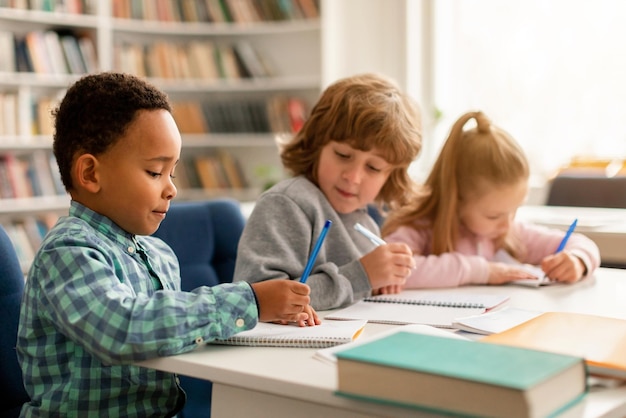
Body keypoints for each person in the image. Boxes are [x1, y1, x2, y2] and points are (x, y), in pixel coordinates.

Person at [16, 72, 319, 418]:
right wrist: (248, 302)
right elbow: (124, 329)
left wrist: (261, 317)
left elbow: (172, 333)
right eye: (154, 172)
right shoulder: (68, 252)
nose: (171, 188)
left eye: (172, 172)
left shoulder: (159, 255)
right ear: (90, 174)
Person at [233, 73, 422, 310]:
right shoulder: (285, 204)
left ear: (390, 176)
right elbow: (259, 301)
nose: (353, 177)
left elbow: (350, 294)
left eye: (373, 168)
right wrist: (361, 277)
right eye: (343, 155)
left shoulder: (364, 222)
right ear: (317, 144)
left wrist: (380, 283)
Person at [381, 110, 600, 289]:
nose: (507, 223)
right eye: (494, 215)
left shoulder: (507, 233)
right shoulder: (419, 227)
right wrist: (483, 271)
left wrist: (577, 260)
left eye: (514, 211)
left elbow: (581, 243)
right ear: (456, 200)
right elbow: (390, 269)